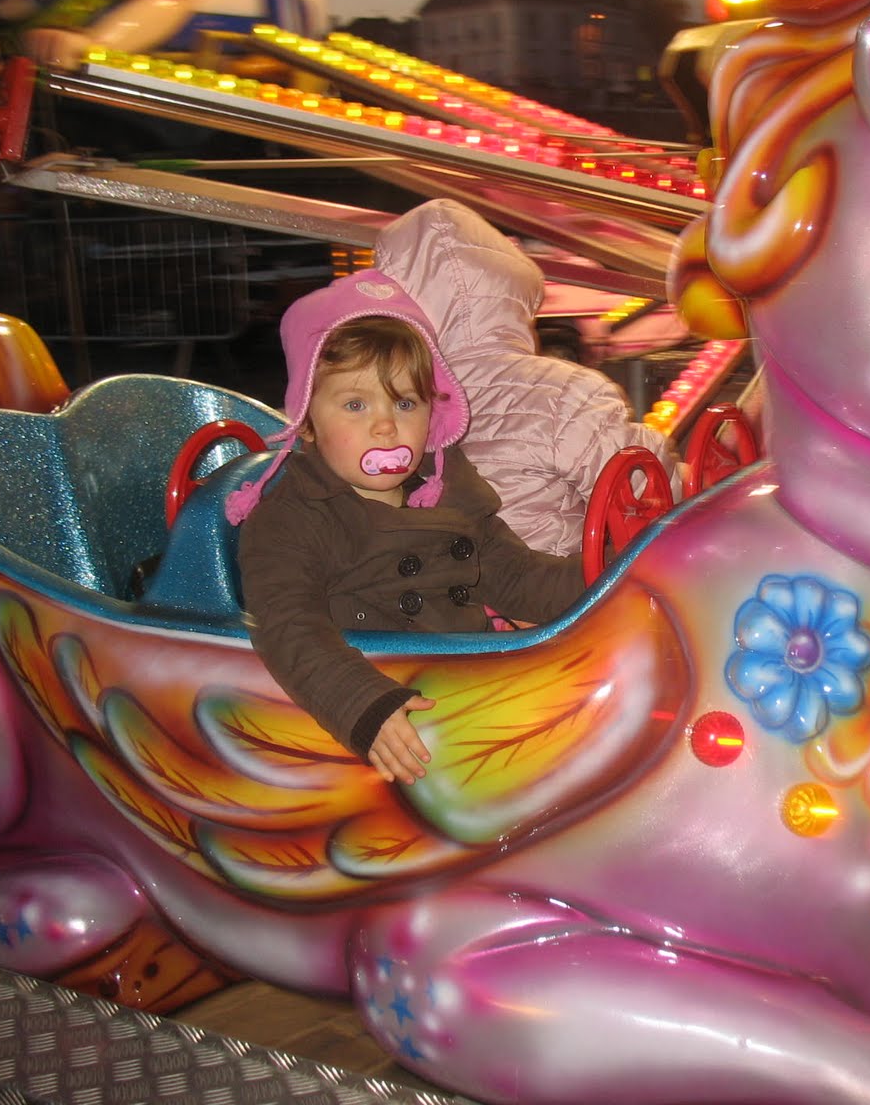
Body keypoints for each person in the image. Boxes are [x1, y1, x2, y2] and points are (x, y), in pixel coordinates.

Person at [229, 268, 585, 786]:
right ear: (306, 421)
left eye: (404, 402)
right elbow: (287, 624)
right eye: (356, 404)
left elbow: (516, 576)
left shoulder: (450, 491)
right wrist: (360, 703)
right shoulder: (292, 515)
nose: (385, 425)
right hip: (383, 705)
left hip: (467, 685)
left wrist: (615, 573)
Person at [374, 199, 680, 557]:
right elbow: (646, 491)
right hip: (553, 585)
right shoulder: (566, 392)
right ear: (511, 295)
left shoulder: (388, 399)